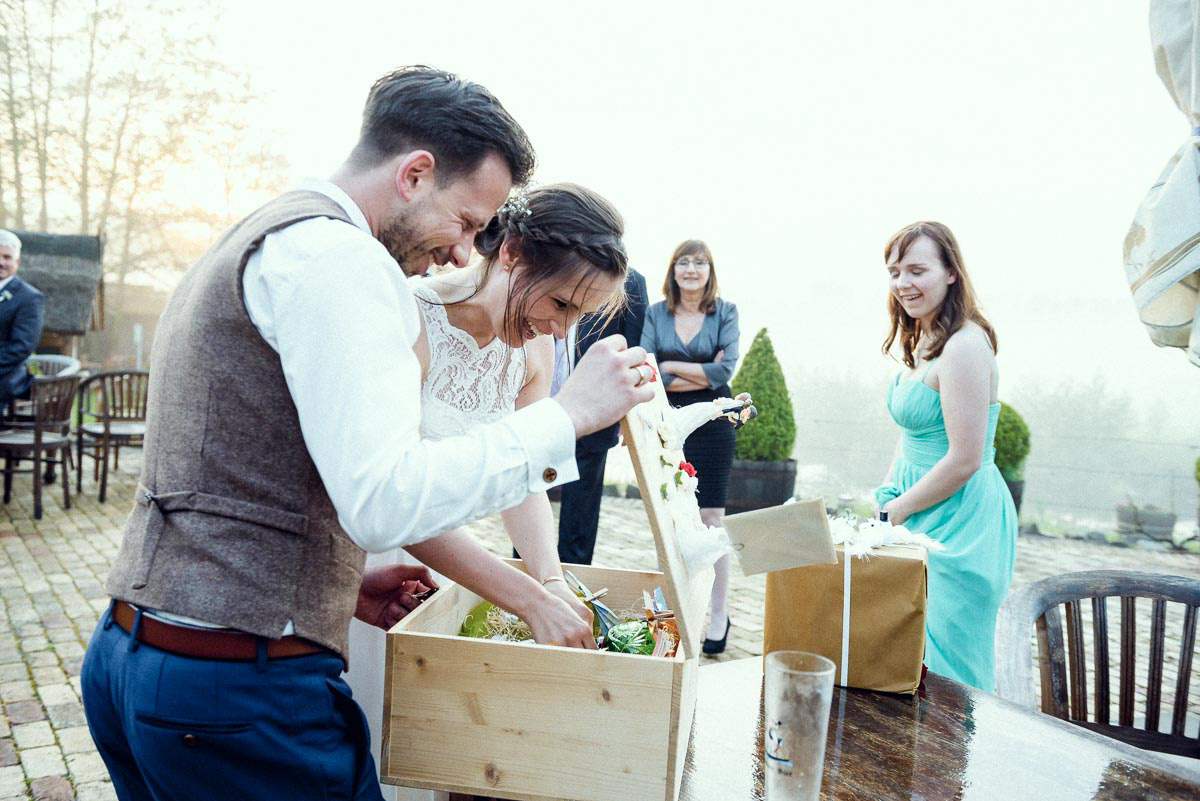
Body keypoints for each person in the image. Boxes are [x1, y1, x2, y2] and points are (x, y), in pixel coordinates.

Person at [80, 66, 654, 801]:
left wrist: (340, 579)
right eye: (469, 223)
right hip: (233, 691)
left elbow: (251, 465)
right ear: (415, 173)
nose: (460, 250)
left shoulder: (269, 234)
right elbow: (383, 502)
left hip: (137, 657)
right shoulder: (344, 264)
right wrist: (568, 417)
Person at [345, 183, 629, 798]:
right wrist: (526, 598)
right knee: (373, 744)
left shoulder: (534, 352)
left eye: (578, 316)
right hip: (373, 564)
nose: (559, 325)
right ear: (513, 252)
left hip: (453, 571)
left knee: (437, 754)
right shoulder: (409, 315)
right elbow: (396, 501)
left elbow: (522, 483)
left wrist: (549, 580)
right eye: (558, 301)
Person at [875, 220, 1017, 691]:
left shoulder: (965, 347)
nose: (903, 284)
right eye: (896, 272)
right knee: (907, 660)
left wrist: (898, 509)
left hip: (962, 521)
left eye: (917, 270)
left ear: (951, 272)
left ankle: (957, 763)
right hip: (919, 506)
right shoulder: (924, 339)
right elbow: (914, 436)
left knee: (949, 672)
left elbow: (964, 458)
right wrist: (891, 492)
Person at [640, 240, 739, 654]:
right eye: (684, 261)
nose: (692, 269)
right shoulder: (655, 313)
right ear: (674, 269)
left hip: (714, 422)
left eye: (700, 262)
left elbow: (724, 371)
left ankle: (718, 613)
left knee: (711, 517)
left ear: (709, 270)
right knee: (669, 516)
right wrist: (687, 372)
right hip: (665, 425)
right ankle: (676, 610)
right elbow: (647, 365)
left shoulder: (726, 313)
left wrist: (671, 367)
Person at [556, 267, 648, 565]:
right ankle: (527, 579)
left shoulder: (632, 282)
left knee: (581, 510)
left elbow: (635, 351)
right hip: (544, 401)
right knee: (531, 499)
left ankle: (575, 582)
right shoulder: (555, 266)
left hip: (597, 413)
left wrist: (628, 415)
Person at [0, 230, 44, 409]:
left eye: (7, 257)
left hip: (7, 374)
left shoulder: (29, 298)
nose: (1, 262)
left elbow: (22, 346)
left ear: (17, 262)